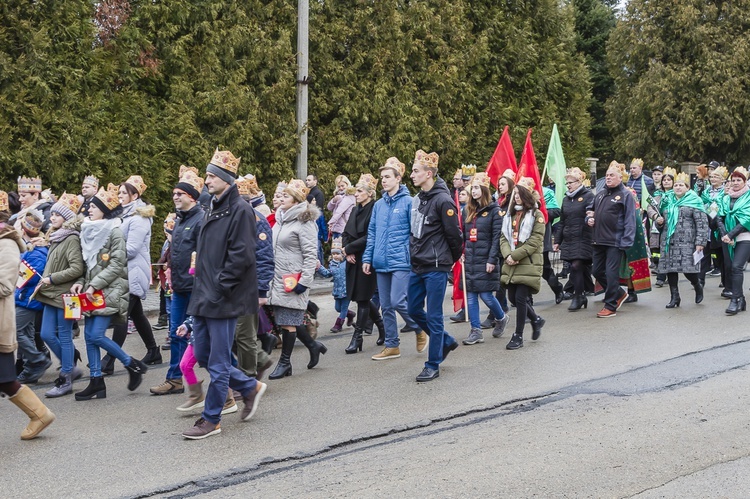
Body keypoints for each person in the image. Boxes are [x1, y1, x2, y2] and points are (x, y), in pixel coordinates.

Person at [182, 149, 267, 440]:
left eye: (209, 176)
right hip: (205, 295)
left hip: (223, 297)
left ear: (225, 179)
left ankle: (211, 419)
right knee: (204, 354)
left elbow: (242, 256)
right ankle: (247, 386)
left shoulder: (241, 210)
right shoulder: (213, 207)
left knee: (218, 362)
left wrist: (219, 287)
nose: (205, 181)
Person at [73, 183, 149, 401]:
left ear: (104, 210)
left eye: (93, 207)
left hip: (110, 290)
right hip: (91, 290)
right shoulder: (87, 230)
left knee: (96, 335)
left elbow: (117, 264)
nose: (88, 210)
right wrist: (80, 282)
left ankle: (131, 364)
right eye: (88, 207)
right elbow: (86, 264)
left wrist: (94, 284)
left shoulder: (114, 231)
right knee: (89, 336)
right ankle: (96, 381)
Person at [0, 193, 56, 440]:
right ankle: (40, 414)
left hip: (1, 323)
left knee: (6, 380)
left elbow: (5, 286)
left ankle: (40, 414)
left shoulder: (6, 243)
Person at [363, 157, 426, 360]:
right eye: (382, 177)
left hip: (401, 260)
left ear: (398, 178)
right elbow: (372, 232)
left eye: (388, 177)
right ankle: (392, 345)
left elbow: (416, 232)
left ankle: (419, 328)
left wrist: (411, 254)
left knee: (398, 300)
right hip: (381, 261)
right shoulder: (379, 205)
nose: (384, 180)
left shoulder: (409, 202)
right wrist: (367, 257)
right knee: (386, 305)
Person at [408, 150, 463, 382]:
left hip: (436, 266)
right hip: (418, 264)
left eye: (415, 171)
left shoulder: (444, 200)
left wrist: (447, 260)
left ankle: (433, 364)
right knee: (412, 310)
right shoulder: (418, 198)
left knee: (434, 316)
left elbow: (455, 236)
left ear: (428, 174)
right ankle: (446, 341)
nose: (411, 175)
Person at [150, 166, 205, 396]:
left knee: (201, 336)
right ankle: (174, 379)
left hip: (196, 287)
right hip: (180, 287)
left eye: (179, 194)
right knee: (176, 332)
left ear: (191, 196)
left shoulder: (201, 219)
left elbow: (204, 255)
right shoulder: (180, 220)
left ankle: (237, 378)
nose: (175, 197)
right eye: (174, 194)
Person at [268, 179, 327, 379]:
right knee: (286, 319)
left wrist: (304, 281)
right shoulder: (280, 219)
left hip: (293, 278)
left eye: (286, 195)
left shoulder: (305, 222)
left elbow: (311, 255)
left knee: (288, 322)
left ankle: (285, 363)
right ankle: (313, 346)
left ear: (296, 200)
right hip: (277, 278)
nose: (280, 198)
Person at [37, 193, 86, 397]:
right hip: (51, 294)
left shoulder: (71, 238)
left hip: (65, 295)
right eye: (52, 214)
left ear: (67, 218)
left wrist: (52, 278)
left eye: (57, 214)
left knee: (64, 336)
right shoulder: (56, 236)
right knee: (46, 333)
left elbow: (77, 268)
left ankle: (66, 378)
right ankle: (70, 366)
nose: (52, 217)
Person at [233, 175, 275, 382]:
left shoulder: (257, 220)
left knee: (244, 334)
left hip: (249, 286)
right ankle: (259, 359)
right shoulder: (232, 218)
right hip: (232, 285)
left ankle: (248, 377)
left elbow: (265, 258)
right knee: (233, 333)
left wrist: (261, 291)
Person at [461, 172, 509, 345]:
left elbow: (497, 238)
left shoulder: (495, 211)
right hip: (471, 259)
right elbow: (464, 235)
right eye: (471, 188)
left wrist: (491, 259)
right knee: (471, 295)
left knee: (487, 295)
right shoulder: (468, 211)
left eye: (476, 188)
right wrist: (462, 251)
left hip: (486, 259)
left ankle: (501, 317)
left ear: (484, 189)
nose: (473, 191)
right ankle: (476, 331)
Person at [500, 177, 546, 350]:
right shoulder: (510, 214)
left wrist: (517, 254)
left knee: (520, 298)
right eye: (515, 194)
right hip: (511, 260)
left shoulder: (537, 215)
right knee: (512, 297)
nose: (517, 197)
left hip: (528, 261)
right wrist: (508, 255)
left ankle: (518, 335)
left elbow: (535, 240)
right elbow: (504, 237)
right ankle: (536, 319)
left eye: (520, 194)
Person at [587, 161, 637, 318]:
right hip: (598, 240)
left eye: (612, 175)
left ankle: (610, 305)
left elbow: (630, 220)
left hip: (615, 241)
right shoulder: (601, 193)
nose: (608, 178)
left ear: (620, 177)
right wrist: (588, 220)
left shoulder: (625, 195)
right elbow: (590, 210)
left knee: (611, 273)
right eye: (607, 175)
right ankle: (619, 293)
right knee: (596, 271)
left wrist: (626, 241)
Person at [654, 173, 709, 308]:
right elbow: (661, 222)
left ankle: (697, 285)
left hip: (687, 242)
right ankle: (675, 297)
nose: (678, 187)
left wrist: (700, 242)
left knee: (688, 270)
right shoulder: (667, 200)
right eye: (676, 185)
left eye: (681, 185)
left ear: (687, 187)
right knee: (670, 270)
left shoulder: (694, 200)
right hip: (669, 241)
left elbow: (702, 223)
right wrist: (659, 222)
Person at [342, 174, 382, 353]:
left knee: (363, 298)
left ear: (369, 193)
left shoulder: (375, 209)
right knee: (360, 296)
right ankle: (382, 327)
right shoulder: (354, 210)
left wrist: (350, 248)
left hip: (367, 257)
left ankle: (357, 336)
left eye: (359, 191)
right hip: (353, 258)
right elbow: (346, 232)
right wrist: (346, 250)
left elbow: (370, 236)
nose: (356, 194)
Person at [14, 210, 51, 384]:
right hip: (24, 297)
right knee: (26, 332)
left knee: (16, 330)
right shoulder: (31, 249)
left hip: (28, 299)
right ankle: (30, 369)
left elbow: (27, 277)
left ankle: (38, 360)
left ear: (23, 230)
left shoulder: (37, 252)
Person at [554, 167, 595, 311]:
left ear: (579, 182)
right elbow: (562, 221)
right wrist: (557, 241)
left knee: (577, 265)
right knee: (576, 267)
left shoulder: (588, 196)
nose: (569, 185)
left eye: (572, 182)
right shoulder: (566, 199)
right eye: (567, 183)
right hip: (569, 238)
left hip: (584, 236)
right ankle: (582, 293)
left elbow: (591, 213)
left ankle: (579, 295)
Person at [718, 167, 750, 315]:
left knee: (737, 267)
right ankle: (741, 298)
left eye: (739, 180)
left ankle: (735, 300)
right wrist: (725, 234)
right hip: (727, 238)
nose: (736, 183)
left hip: (744, 236)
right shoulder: (725, 197)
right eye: (733, 180)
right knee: (730, 267)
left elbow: (746, 220)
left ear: (744, 182)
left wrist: (730, 235)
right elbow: (719, 216)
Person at [647, 167, 676, 288]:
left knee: (670, 253)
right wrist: (655, 216)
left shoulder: (676, 195)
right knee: (658, 252)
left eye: (669, 180)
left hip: (672, 228)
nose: (666, 182)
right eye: (665, 180)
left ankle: (669, 276)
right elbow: (650, 207)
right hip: (658, 227)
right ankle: (660, 276)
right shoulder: (657, 195)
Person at [317, 239, 354, 333]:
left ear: (342, 254)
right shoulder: (332, 265)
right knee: (338, 308)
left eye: (337, 254)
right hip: (338, 291)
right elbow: (328, 274)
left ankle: (338, 325)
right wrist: (319, 267)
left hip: (346, 290)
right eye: (333, 254)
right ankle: (350, 314)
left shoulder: (347, 263)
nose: (335, 256)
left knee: (343, 308)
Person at [327, 175, 356, 241]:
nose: (341, 188)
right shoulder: (340, 196)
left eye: (342, 186)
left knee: (339, 249)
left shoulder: (349, 197)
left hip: (343, 228)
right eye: (339, 186)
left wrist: (331, 223)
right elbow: (329, 207)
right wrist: (334, 200)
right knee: (336, 249)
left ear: (347, 184)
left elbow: (339, 211)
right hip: (337, 227)